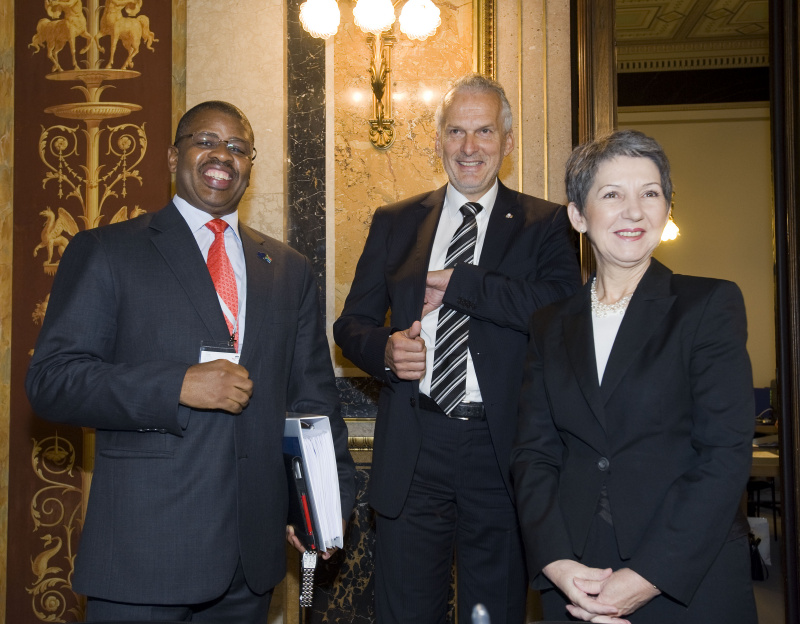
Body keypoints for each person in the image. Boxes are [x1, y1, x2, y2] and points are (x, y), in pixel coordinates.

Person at [25, 100, 356, 623]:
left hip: (249, 562)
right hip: (143, 554)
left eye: (237, 146)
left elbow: (311, 398)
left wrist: (323, 503)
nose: (221, 154)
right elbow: (52, 382)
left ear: (250, 164)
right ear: (172, 155)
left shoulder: (288, 269)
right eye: (205, 140)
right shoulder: (108, 251)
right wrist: (176, 385)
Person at [333, 73, 581, 624]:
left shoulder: (546, 225)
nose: (469, 148)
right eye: (456, 132)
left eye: (484, 132)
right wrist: (385, 351)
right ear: (439, 139)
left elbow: (564, 312)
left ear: (508, 142)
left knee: (491, 612)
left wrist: (462, 283)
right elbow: (351, 323)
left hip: (502, 452)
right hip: (415, 446)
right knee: (406, 612)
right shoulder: (395, 221)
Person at [511, 129, 757, 624]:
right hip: (575, 576)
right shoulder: (548, 323)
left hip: (686, 570)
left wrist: (649, 576)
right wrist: (556, 562)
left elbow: (725, 454)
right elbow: (534, 453)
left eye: (650, 193)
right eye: (611, 195)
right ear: (579, 216)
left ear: (667, 209)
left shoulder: (709, 304)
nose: (634, 211)